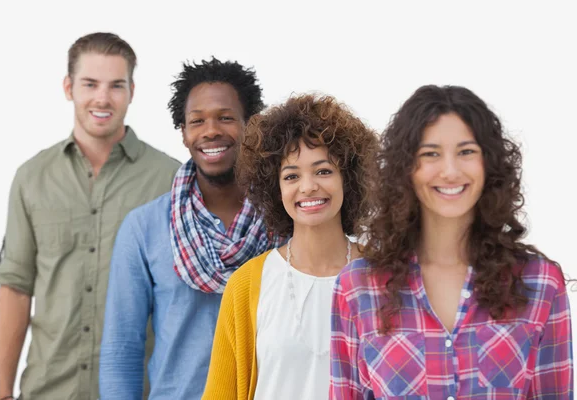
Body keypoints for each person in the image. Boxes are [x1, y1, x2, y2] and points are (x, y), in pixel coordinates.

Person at [329, 85, 574, 399]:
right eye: (431, 153)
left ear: (489, 164)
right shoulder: (357, 287)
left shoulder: (540, 284)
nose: (449, 170)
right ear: (406, 169)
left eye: (466, 152)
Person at [0, 32, 180, 400]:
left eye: (116, 85)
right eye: (90, 84)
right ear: (68, 87)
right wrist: (1, 391)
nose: (102, 98)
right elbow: (15, 289)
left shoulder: (170, 180)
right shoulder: (32, 178)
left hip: (139, 390)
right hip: (48, 389)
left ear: (132, 91)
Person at [99, 57, 281, 399]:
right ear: (184, 133)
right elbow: (122, 349)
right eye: (197, 121)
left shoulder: (283, 220)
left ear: (251, 126)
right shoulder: (145, 228)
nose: (211, 130)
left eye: (226, 118)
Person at [202, 93, 379, 400]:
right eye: (292, 175)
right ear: (276, 188)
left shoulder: (385, 280)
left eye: (323, 170)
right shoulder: (247, 286)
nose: (308, 186)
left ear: (348, 179)